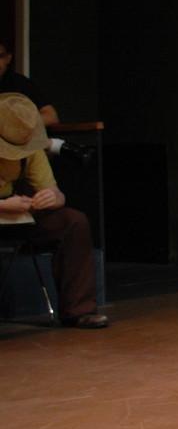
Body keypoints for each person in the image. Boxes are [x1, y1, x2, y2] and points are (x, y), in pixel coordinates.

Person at [0, 93, 107, 327]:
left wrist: (54, 198)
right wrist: (3, 206)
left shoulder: (30, 150)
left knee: (73, 221)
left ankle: (78, 309)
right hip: (5, 210)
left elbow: (54, 191)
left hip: (19, 216)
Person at [0, 40, 94, 166]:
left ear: (8, 58)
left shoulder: (19, 83)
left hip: (22, 147)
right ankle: (53, 144)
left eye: (0, 56)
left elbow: (51, 116)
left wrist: (18, 125)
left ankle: (49, 144)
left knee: (34, 152)